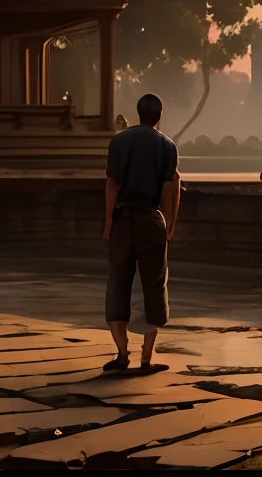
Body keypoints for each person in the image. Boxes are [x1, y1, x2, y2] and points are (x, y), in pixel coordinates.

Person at [103, 93, 181, 374]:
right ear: (159, 116)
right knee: (154, 285)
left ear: (138, 114)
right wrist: (170, 224)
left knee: (118, 282)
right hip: (151, 219)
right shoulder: (167, 145)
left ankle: (122, 354)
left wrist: (109, 223)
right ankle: (147, 357)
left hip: (123, 218)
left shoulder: (119, 141)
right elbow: (171, 186)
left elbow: (112, 183)